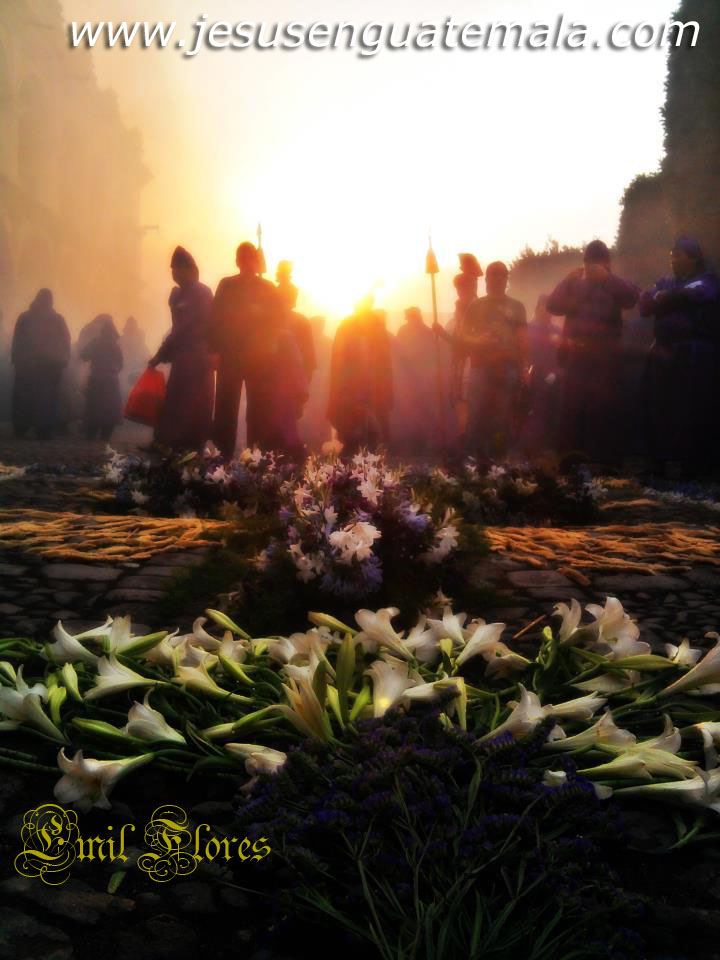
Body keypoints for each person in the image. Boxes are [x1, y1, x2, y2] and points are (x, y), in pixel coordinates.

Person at [547, 240, 639, 466]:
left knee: (602, 412)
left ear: (607, 263)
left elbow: (632, 298)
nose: (592, 267)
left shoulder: (615, 283)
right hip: (576, 358)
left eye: (596, 262)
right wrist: (567, 279)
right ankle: (571, 463)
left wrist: (607, 278)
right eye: (588, 262)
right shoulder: (574, 284)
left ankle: (603, 464)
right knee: (572, 411)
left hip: (605, 360)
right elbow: (553, 305)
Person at [639, 235, 720, 477]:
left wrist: (666, 298)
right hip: (664, 353)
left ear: (693, 258)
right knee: (659, 407)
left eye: (678, 255)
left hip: (693, 356)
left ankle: (693, 464)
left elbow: (698, 294)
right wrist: (667, 297)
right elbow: (645, 304)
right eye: (671, 255)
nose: (673, 260)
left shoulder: (707, 279)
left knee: (691, 408)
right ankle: (659, 460)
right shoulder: (665, 281)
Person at [436, 261, 528, 462]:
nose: (498, 279)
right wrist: (479, 340)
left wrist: (524, 369)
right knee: (477, 415)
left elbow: (523, 341)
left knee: (503, 417)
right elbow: (463, 336)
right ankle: (474, 461)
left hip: (507, 368)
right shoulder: (476, 306)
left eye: (502, 275)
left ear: (506, 278)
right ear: (486, 279)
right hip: (481, 368)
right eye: (494, 275)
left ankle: (500, 462)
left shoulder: (516, 307)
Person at [208, 242, 285, 457]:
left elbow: (278, 321)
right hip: (230, 354)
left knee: (258, 409)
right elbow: (215, 318)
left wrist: (263, 322)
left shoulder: (268, 288)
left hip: (258, 357)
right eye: (243, 258)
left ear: (256, 261)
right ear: (237, 262)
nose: (247, 263)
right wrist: (214, 350)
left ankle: (256, 455)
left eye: (250, 258)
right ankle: (222, 454)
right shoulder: (227, 285)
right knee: (225, 407)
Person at [148, 246, 215, 452]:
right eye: (172, 270)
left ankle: (187, 444)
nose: (174, 274)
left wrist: (161, 354)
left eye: (177, 269)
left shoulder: (200, 293)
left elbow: (184, 327)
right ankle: (172, 442)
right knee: (177, 401)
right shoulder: (179, 294)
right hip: (183, 356)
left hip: (197, 357)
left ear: (189, 269)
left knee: (191, 402)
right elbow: (178, 328)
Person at [328, 301, 393, 455]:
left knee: (370, 429)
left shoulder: (374, 325)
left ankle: (363, 456)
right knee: (356, 428)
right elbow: (339, 356)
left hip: (370, 384)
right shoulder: (348, 325)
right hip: (353, 385)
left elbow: (383, 357)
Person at [11, 289, 71, 440]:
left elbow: (17, 340)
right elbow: (65, 341)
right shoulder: (57, 319)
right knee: (45, 398)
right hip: (48, 365)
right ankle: (43, 429)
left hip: (28, 364)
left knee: (25, 397)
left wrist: (16, 359)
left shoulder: (25, 317)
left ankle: (22, 427)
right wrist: (63, 360)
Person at [392, 307, 440, 457]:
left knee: (423, 409)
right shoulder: (404, 331)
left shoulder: (427, 332)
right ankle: (412, 441)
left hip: (422, 378)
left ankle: (423, 441)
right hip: (409, 378)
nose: (411, 321)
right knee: (410, 410)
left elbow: (432, 355)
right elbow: (398, 353)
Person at [520, 294, 561, 456]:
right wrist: (525, 370)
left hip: (555, 376)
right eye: (545, 306)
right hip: (534, 375)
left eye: (550, 307)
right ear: (538, 308)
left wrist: (556, 373)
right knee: (534, 410)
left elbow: (562, 356)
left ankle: (548, 445)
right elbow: (523, 352)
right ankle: (530, 446)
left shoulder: (557, 330)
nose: (548, 311)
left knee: (552, 410)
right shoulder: (528, 329)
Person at [79, 316, 123, 441]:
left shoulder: (96, 343)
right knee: (109, 407)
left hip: (96, 379)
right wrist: (113, 370)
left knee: (94, 406)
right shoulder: (115, 346)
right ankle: (106, 433)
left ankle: (91, 432)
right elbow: (120, 364)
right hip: (111, 381)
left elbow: (83, 355)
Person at [120, 316, 150, 396]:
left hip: (126, 373)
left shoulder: (121, 341)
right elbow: (147, 357)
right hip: (137, 373)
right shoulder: (141, 343)